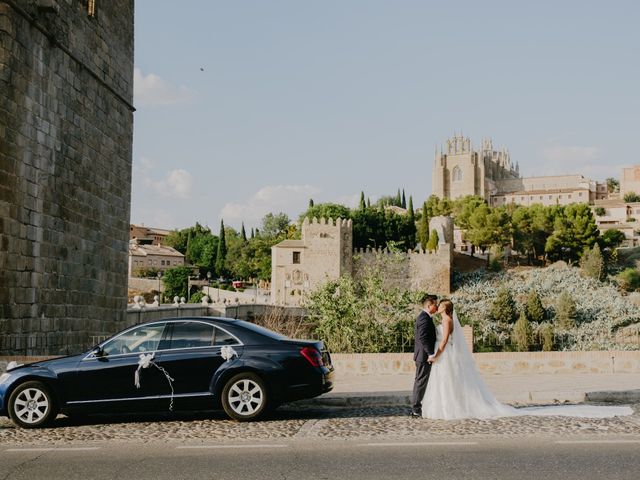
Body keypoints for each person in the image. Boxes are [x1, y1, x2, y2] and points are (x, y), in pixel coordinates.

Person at [422, 299, 516, 419]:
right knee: (444, 381)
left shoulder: (446, 320)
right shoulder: (445, 320)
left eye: (440, 305)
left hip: (445, 355)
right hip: (444, 353)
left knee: (446, 381)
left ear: (445, 308)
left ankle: (448, 410)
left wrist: (436, 355)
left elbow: (445, 340)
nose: (438, 306)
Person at [411, 294, 438, 417]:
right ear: (429, 305)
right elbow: (423, 337)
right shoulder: (423, 318)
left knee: (421, 382)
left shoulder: (426, 317)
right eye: (435, 304)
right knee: (420, 382)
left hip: (422, 355)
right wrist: (431, 353)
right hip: (423, 356)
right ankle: (416, 410)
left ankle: (418, 408)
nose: (437, 306)